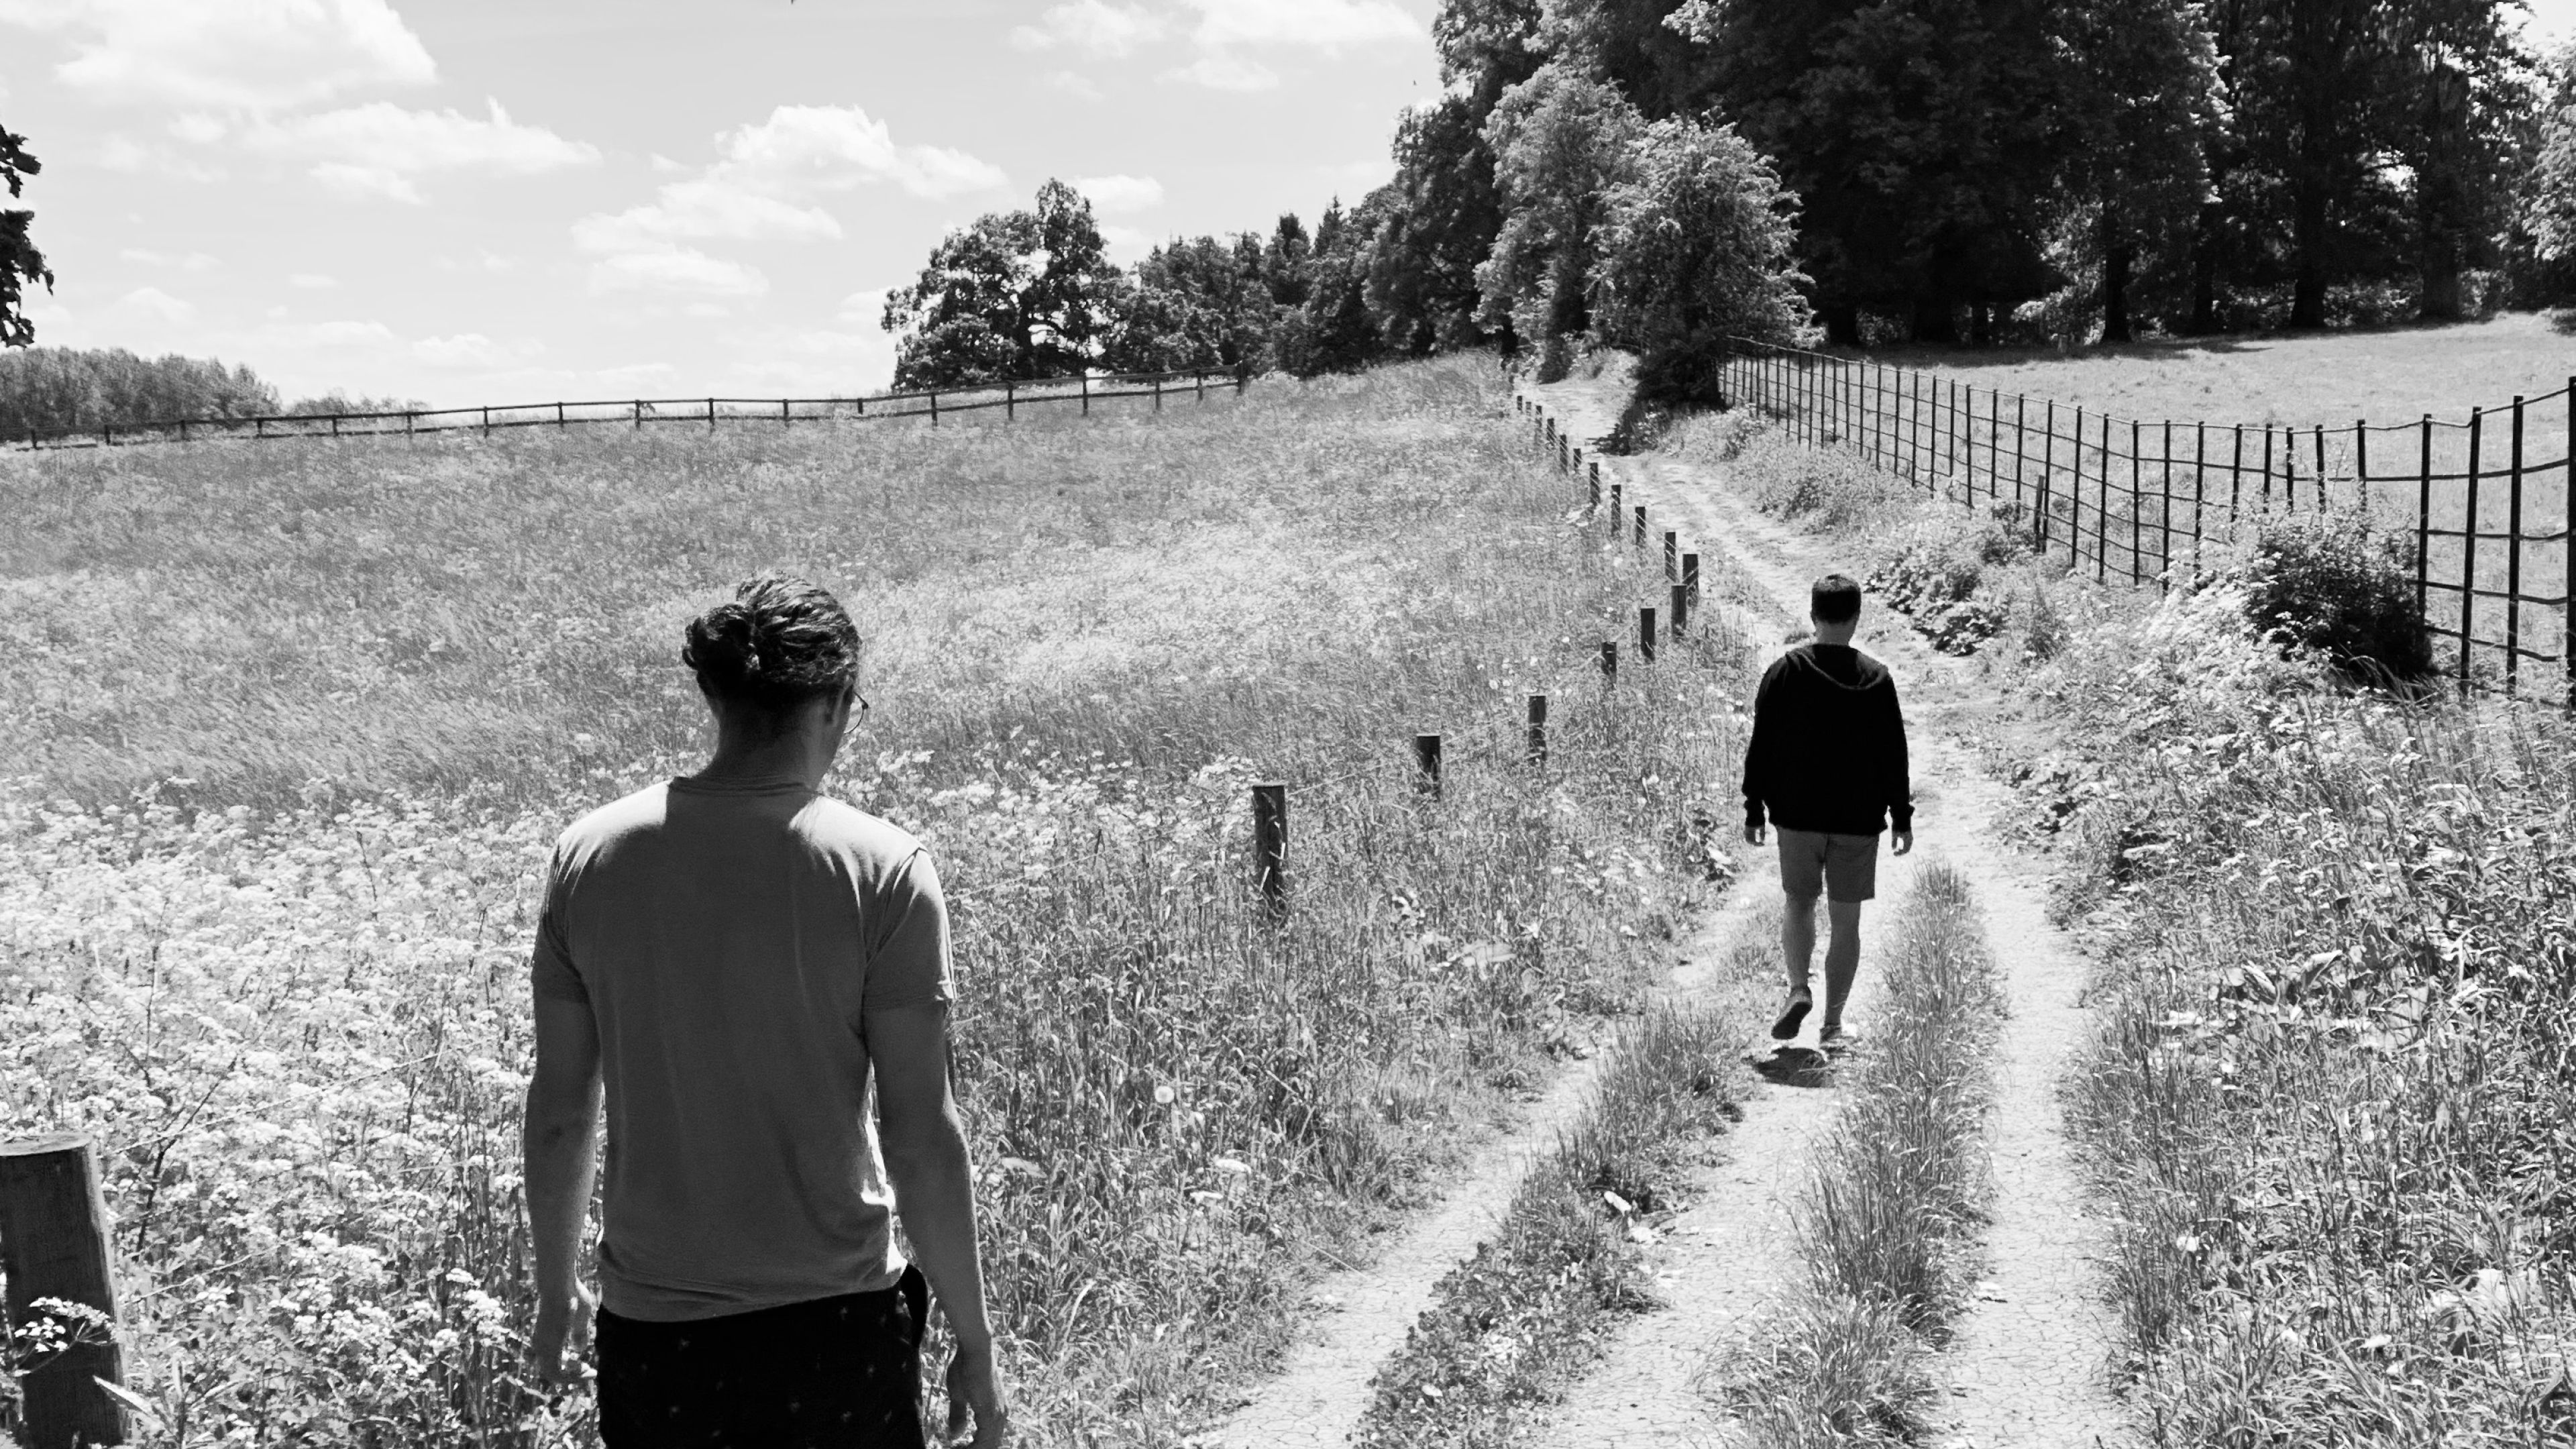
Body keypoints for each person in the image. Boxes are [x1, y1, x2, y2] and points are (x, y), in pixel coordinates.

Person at [522, 573, 1009, 1448]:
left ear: (715, 699)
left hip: (655, 1336)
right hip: (835, 1328)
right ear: (834, 704)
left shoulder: (589, 857)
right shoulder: (884, 870)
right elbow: (920, 1137)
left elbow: (561, 1109)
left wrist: (556, 1290)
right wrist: (973, 1342)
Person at [1739, 573, 1915, 1048]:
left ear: (1813, 616)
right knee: (1846, 920)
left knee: (1799, 903)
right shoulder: (1877, 679)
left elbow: (1762, 746)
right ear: (1857, 618)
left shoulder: (1785, 672)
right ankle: (1834, 1024)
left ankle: (1799, 988)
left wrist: (1754, 807)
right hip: (1857, 821)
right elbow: (1893, 754)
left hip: (1797, 815)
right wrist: (1901, 817)